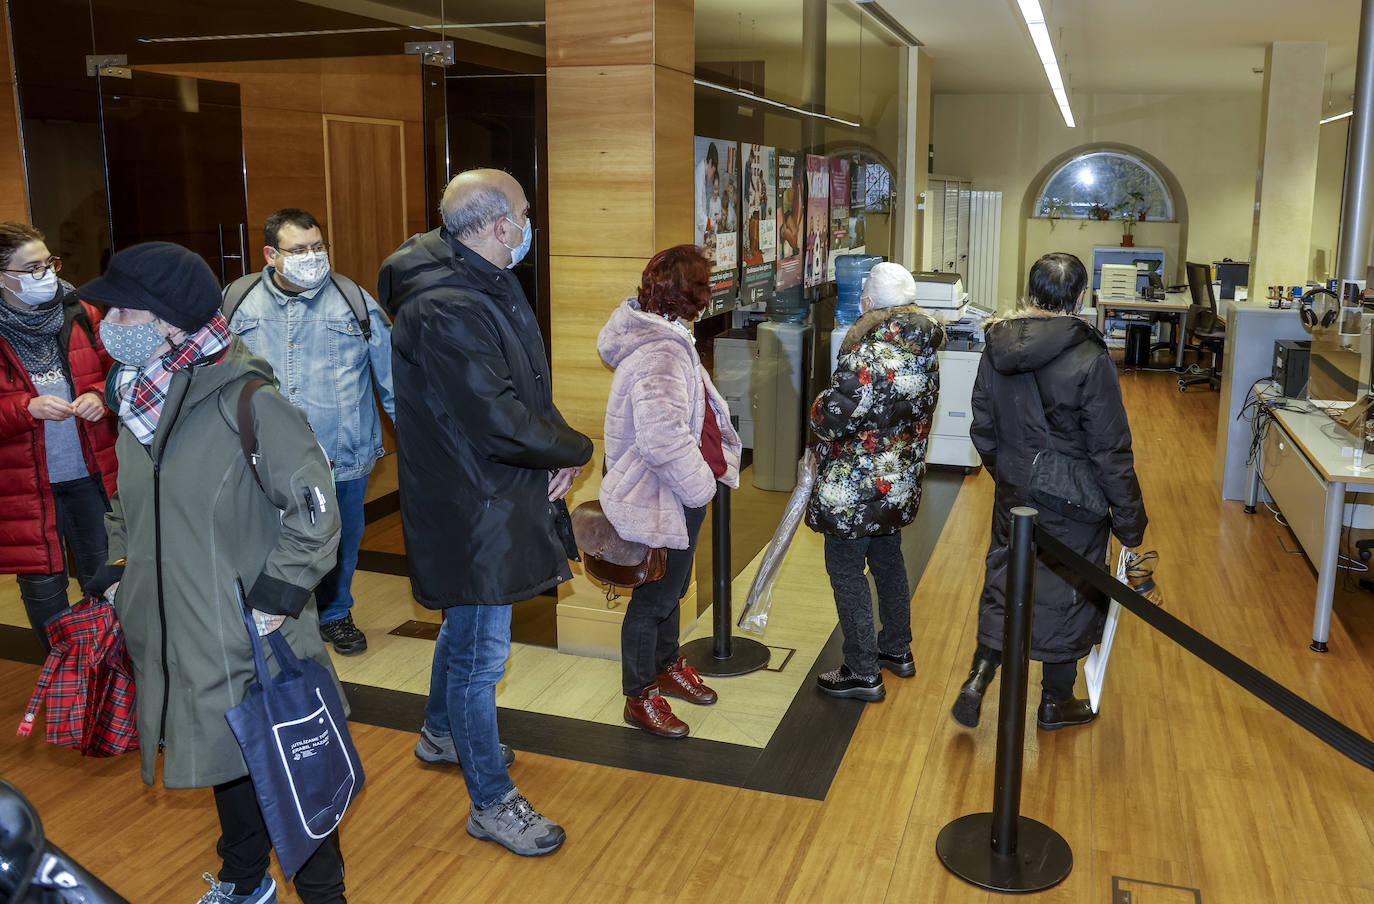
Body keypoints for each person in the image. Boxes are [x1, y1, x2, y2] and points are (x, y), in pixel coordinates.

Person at [80, 242, 346, 904]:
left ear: (168, 318)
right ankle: (244, 879)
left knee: (288, 770)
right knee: (226, 758)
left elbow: (315, 509)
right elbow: (126, 503)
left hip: (249, 631)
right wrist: (119, 574)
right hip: (176, 626)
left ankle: (324, 896)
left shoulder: (248, 398)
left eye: (122, 309)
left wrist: (273, 600)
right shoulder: (141, 403)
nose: (108, 320)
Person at [378, 169, 592, 857]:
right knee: (481, 654)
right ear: (501, 225)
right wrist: (576, 447)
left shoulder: (479, 280)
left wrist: (553, 444)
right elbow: (498, 418)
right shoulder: (448, 305)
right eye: (525, 214)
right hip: (473, 505)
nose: (530, 225)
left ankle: (442, 732)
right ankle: (492, 803)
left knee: (466, 631)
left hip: (488, 492)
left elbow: (521, 387)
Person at [955, 252, 1148, 731]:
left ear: (1031, 292)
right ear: (1080, 297)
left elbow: (982, 426)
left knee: (1007, 579)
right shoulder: (1089, 356)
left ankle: (979, 678)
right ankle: (1056, 701)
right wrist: (1130, 522)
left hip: (1015, 491)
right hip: (1074, 499)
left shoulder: (996, 343)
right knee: (1069, 591)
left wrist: (1013, 475)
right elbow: (1110, 448)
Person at [225, 208, 396, 656]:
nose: (312, 257)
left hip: (343, 453)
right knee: (267, 539)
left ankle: (335, 614)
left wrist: (421, 447)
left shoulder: (353, 300)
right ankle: (273, 615)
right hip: (262, 458)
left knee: (340, 542)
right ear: (270, 254)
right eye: (298, 250)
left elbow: (393, 381)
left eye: (318, 247)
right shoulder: (238, 301)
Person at [597, 245, 741, 738]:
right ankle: (640, 696)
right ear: (690, 293)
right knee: (654, 599)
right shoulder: (661, 352)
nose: (712, 290)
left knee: (673, 588)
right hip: (666, 493)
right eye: (706, 282)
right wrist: (701, 487)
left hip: (677, 490)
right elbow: (661, 439)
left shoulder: (670, 336)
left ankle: (665, 664)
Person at [805, 263, 945, 701]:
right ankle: (897, 649)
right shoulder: (925, 350)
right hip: (898, 485)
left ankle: (862, 671)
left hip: (856, 491)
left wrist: (817, 410)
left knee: (847, 571)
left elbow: (828, 420)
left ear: (868, 304)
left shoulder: (867, 357)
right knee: (888, 561)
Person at [0, 222, 117, 653]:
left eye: (48, 262)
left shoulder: (82, 312)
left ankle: (110, 681)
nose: (46, 273)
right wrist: (23, 409)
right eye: (31, 268)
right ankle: (67, 682)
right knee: (46, 599)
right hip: (26, 492)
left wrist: (98, 396)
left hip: (90, 479)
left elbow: (118, 374)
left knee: (107, 584)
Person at [694, 142, 719, 243]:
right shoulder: (699, 175)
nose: (713, 174)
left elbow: (702, 210)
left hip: (700, 234)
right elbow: (698, 211)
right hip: (695, 234)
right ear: (710, 162)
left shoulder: (702, 174)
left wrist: (705, 236)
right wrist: (710, 223)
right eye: (713, 170)